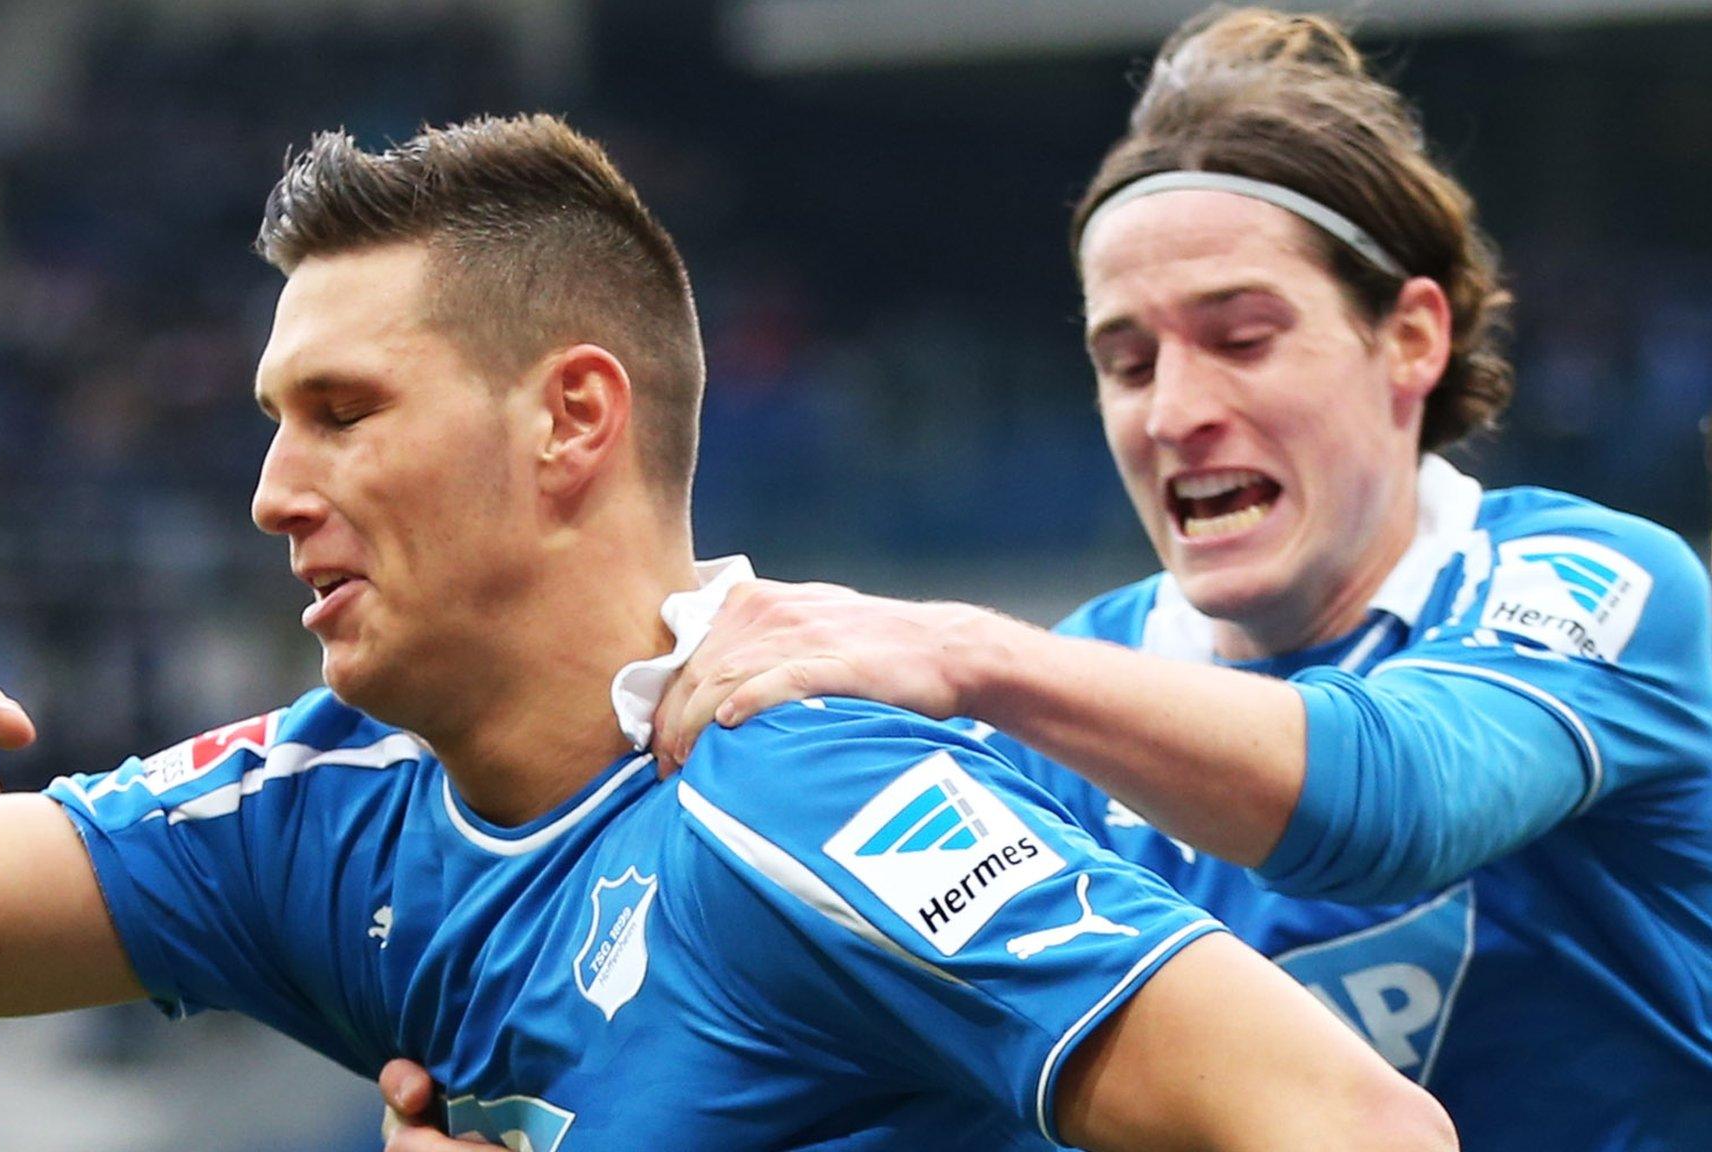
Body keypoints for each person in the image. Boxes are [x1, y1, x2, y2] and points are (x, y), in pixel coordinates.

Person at [0, 115, 1450, 1150]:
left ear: (571, 422)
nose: (275, 490)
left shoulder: (807, 787)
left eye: (345, 410)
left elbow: (1362, 1131)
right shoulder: (318, 816)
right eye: (272, 420)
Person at [451, 9, 1712, 1150]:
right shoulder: (1060, 729)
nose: (1174, 411)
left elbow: (1398, 804)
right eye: (1124, 360)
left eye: (1240, 337)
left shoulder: (1590, 582)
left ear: (1411, 339)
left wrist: (969, 658)